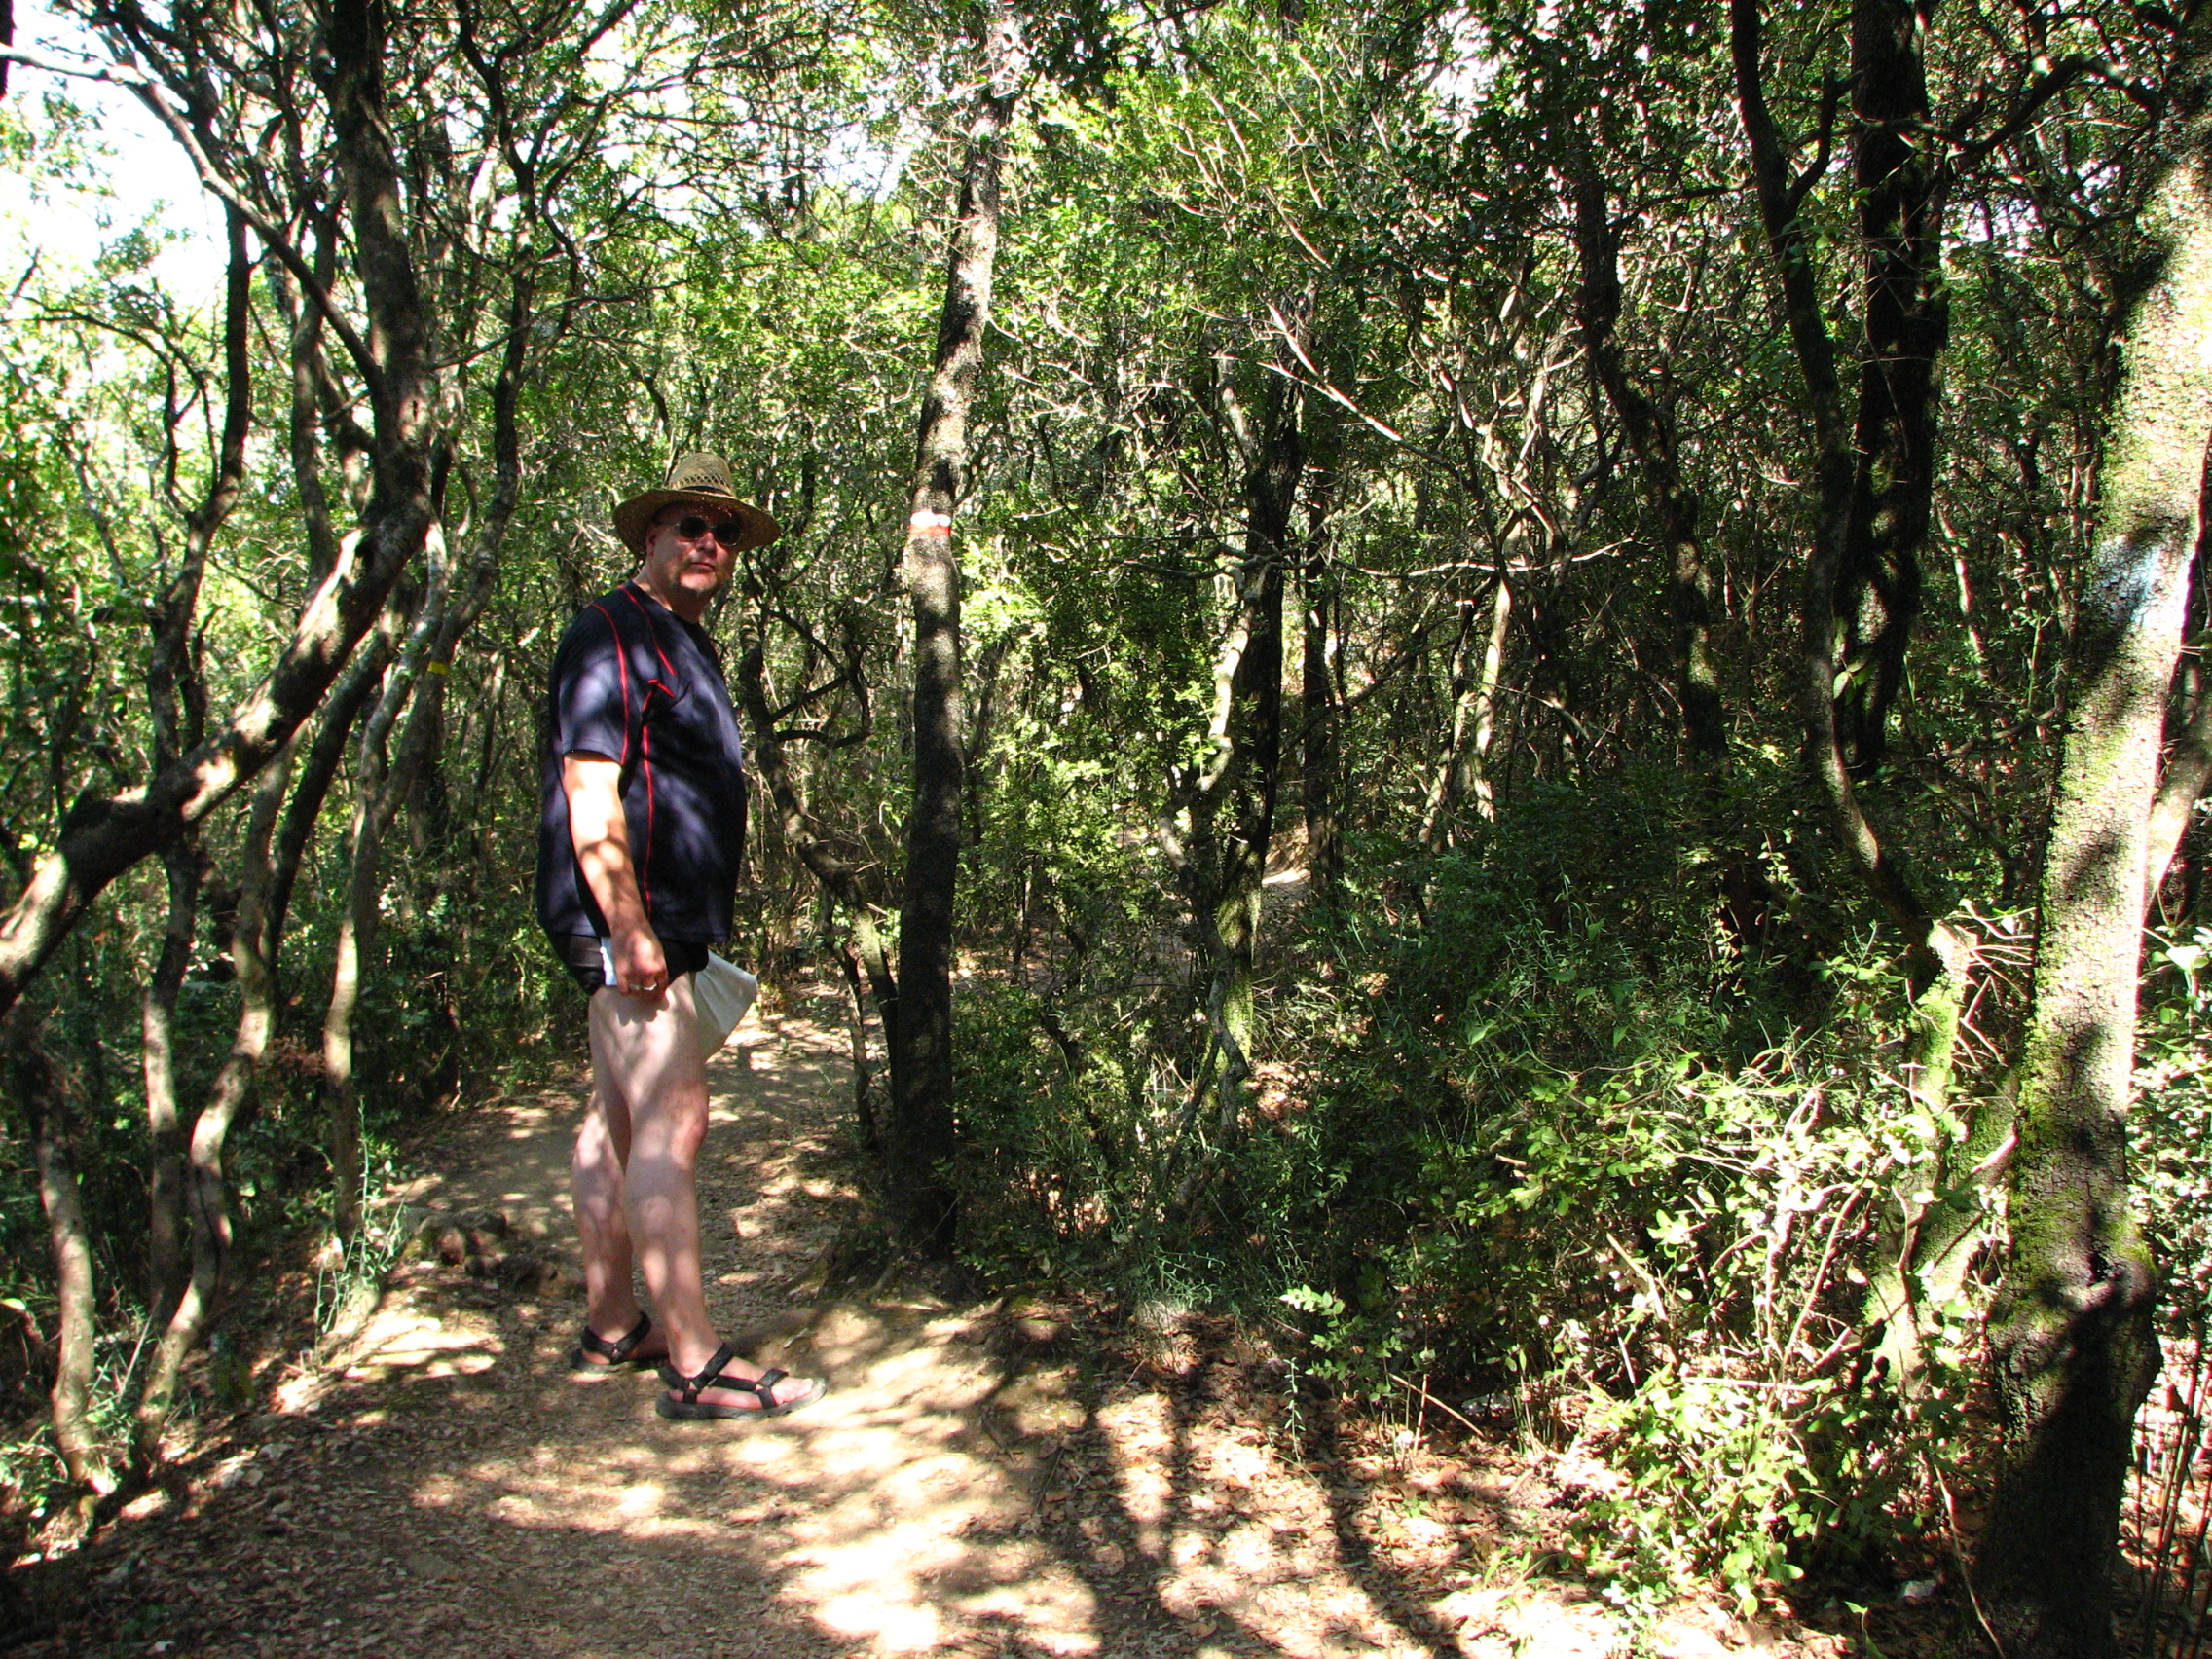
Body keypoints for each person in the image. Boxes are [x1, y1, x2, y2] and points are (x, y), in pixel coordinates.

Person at [536, 452, 825, 1421]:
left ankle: (615, 1323)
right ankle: (697, 1362)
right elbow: (589, 786)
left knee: (614, 1120)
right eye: (689, 525)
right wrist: (629, 925)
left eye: (723, 531)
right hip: (634, 915)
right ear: (650, 535)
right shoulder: (612, 630)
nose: (709, 542)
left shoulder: (683, 641)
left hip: (665, 915)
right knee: (674, 1115)